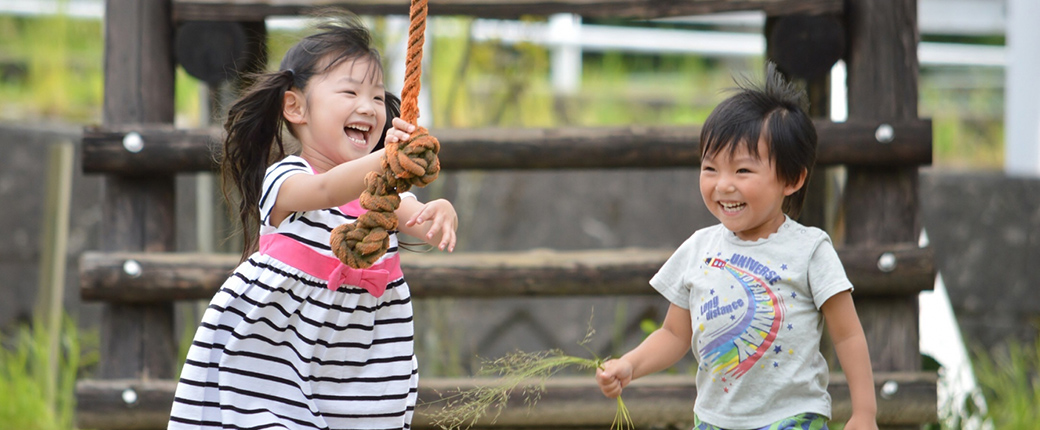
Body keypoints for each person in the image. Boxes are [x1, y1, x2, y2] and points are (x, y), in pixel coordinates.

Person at [169, 15, 457, 430]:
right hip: (278, 353)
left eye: (378, 97)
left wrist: (441, 210)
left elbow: (419, 217)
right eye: (349, 91)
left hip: (358, 363)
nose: (369, 107)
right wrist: (386, 160)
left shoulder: (380, 197)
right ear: (295, 106)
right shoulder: (287, 179)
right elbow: (326, 192)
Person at [595, 63, 877, 430]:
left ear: (792, 179)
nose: (723, 185)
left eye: (743, 171)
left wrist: (864, 413)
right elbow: (674, 334)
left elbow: (848, 333)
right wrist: (630, 364)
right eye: (710, 168)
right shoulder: (699, 248)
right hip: (714, 421)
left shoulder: (809, 250)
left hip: (791, 419)